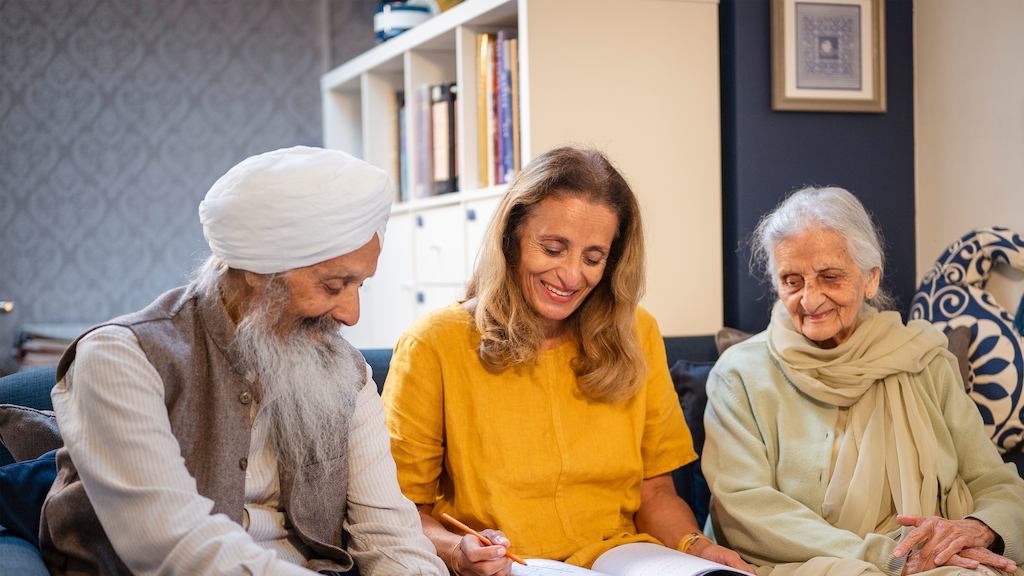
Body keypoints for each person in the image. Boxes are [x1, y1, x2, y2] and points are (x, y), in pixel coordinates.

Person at [38, 146, 448, 576]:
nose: (351, 314)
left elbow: (390, 534)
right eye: (333, 285)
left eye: (359, 285)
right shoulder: (120, 360)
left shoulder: (347, 372)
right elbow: (178, 550)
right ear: (256, 270)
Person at [382, 146, 751, 575]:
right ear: (511, 238)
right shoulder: (434, 344)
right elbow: (401, 510)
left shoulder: (637, 332)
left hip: (622, 556)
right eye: (554, 249)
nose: (573, 276)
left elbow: (653, 492)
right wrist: (456, 550)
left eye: (593, 258)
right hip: (511, 564)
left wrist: (697, 547)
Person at [703, 186, 1024, 576]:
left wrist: (978, 529)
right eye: (792, 280)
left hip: (937, 562)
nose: (810, 299)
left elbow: (993, 481)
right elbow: (745, 509)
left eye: (830, 277)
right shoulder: (740, 375)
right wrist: (890, 557)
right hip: (807, 567)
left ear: (870, 279)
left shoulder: (925, 360)